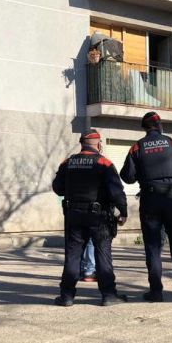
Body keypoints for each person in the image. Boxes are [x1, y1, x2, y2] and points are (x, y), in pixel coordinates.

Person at [52, 129, 128, 307]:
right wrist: (123, 211)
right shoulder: (104, 162)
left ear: (81, 144)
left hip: (74, 215)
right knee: (103, 254)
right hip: (99, 217)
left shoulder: (68, 162)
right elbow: (116, 192)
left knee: (72, 255)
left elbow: (58, 188)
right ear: (99, 144)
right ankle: (108, 296)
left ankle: (67, 296)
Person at [120, 112, 172, 302]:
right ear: (159, 126)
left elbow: (127, 176)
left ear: (144, 128)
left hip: (150, 199)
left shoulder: (137, 147)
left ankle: (156, 291)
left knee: (153, 247)